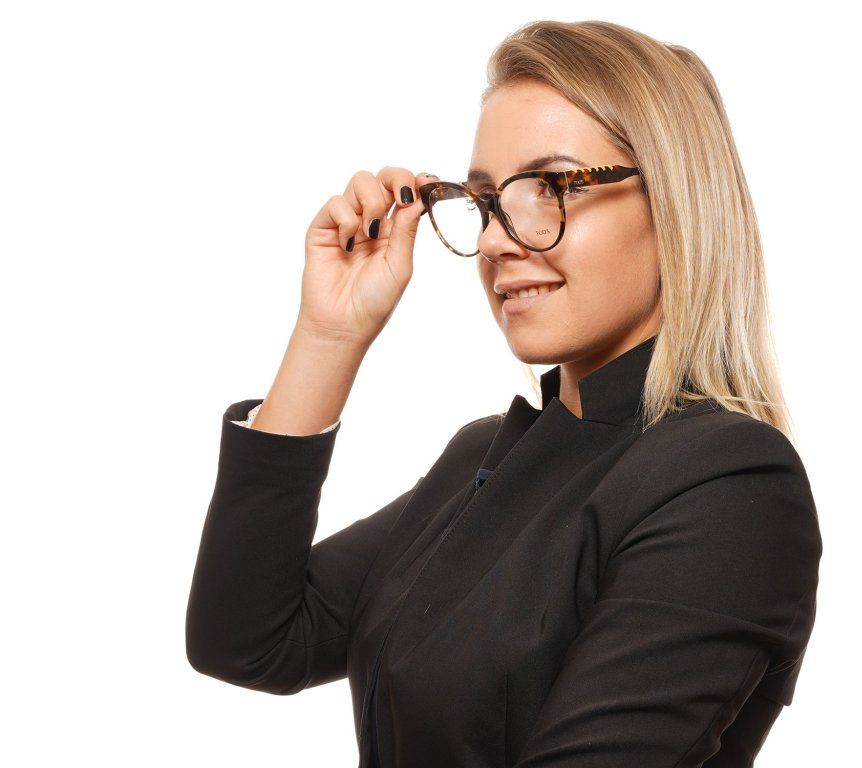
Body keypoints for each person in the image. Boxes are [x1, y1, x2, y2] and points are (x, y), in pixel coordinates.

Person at [185, 19, 823, 768]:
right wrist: (329, 335)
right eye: (485, 200)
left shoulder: (728, 482)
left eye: (550, 187)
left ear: (674, 204)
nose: (493, 240)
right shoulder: (485, 457)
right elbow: (247, 637)